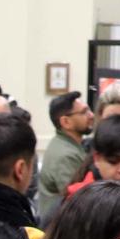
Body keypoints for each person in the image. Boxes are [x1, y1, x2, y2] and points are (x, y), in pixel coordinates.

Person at [37, 91, 94, 219]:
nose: (91, 115)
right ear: (66, 122)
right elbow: (79, 201)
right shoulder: (66, 155)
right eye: (84, 112)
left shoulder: (66, 145)